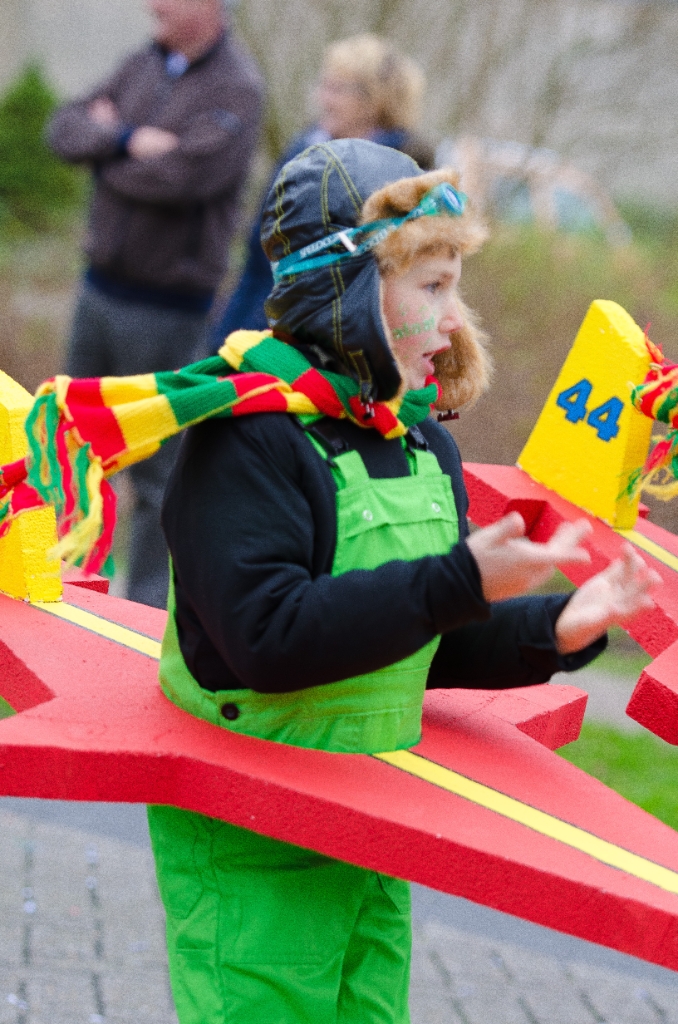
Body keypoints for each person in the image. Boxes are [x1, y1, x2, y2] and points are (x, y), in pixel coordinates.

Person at [143, 139, 660, 1024]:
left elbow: (430, 635)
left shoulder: (421, 441)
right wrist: (456, 578)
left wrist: (561, 625)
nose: (457, 320)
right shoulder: (250, 438)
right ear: (342, 295)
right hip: (256, 835)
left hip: (371, 820)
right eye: (432, 288)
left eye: (456, 286)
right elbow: (266, 638)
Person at [48, 0, 264, 607]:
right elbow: (62, 128)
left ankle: (139, 611)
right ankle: (55, 582)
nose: (152, 6)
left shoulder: (238, 88)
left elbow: (185, 179)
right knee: (67, 441)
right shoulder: (143, 62)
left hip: (169, 309)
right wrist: (125, 140)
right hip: (98, 291)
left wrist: (104, 156)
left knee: (157, 469)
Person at [211, 34, 434, 347]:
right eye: (323, 86)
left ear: (374, 101)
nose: (323, 99)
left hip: (329, 349)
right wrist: (226, 336)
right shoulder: (303, 150)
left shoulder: (397, 177)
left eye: (337, 89)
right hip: (257, 327)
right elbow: (259, 257)